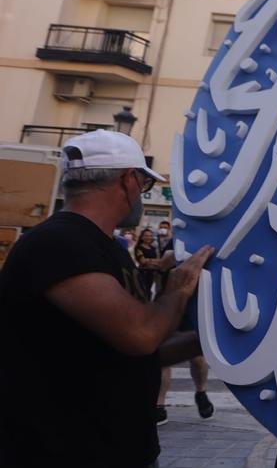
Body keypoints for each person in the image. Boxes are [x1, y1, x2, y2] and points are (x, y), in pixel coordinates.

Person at [0, 129, 213, 467]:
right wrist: (178, 286)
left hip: (120, 448)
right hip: (66, 452)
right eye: (143, 186)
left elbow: (142, 349)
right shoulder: (59, 244)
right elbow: (140, 335)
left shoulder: (103, 248)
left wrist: (216, 340)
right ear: (129, 181)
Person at [150, 220, 215, 424]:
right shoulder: (175, 243)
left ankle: (200, 391)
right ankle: (159, 405)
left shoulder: (212, 245)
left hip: (193, 306)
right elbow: (162, 266)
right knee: (160, 355)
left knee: (196, 356)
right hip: (167, 302)